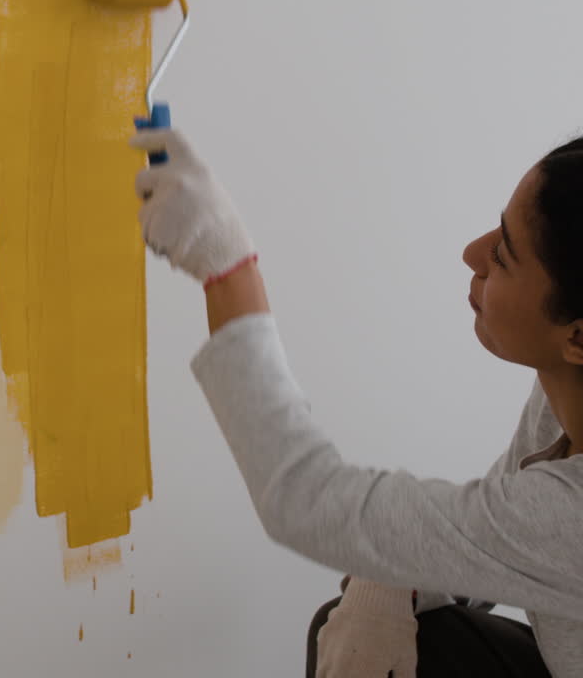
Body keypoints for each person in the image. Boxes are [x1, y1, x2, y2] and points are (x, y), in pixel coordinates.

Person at [130, 127, 583, 676]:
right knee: (372, 619)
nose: (472, 252)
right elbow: (494, 547)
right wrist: (394, 581)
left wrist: (225, 264)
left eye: (505, 254)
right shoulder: (562, 391)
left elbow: (304, 499)